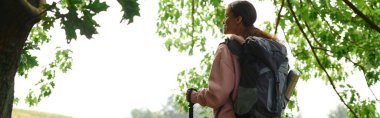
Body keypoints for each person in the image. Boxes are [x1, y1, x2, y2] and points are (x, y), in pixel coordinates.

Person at [186, 0, 280, 118]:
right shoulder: (265, 51)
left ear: (238, 19)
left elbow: (217, 96)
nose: (223, 21)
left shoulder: (227, 49)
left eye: (226, 16)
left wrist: (194, 96)